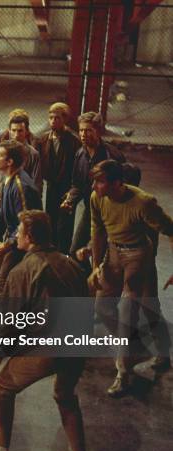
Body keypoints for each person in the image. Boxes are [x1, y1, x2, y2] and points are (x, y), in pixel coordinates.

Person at [0, 210, 91, 451]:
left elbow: (11, 318)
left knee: (3, 387)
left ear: (29, 237)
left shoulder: (24, 270)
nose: (15, 234)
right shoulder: (71, 264)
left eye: (19, 230)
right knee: (65, 396)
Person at [89, 160, 172, 396]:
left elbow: (171, 229)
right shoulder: (97, 197)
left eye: (100, 181)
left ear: (117, 183)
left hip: (138, 255)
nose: (94, 185)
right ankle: (137, 345)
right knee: (103, 307)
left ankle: (123, 374)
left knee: (135, 309)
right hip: (113, 253)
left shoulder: (143, 202)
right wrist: (96, 266)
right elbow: (97, 230)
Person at [0, 140, 42, 296]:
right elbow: (5, 210)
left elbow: (26, 223)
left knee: (3, 286)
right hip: (15, 241)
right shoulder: (8, 178)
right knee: (13, 287)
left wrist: (7, 245)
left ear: (9, 161)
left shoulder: (20, 186)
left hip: (24, 245)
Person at [61, 112, 125, 261]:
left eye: (88, 130)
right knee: (75, 251)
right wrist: (70, 199)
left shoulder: (112, 156)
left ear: (98, 131)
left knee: (104, 255)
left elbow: (122, 187)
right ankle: (87, 281)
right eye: (81, 130)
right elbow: (76, 184)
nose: (83, 134)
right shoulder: (80, 154)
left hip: (111, 214)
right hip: (91, 211)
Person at [35, 103, 81, 254]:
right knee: (50, 219)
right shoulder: (42, 140)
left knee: (65, 224)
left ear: (65, 119)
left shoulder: (74, 141)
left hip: (67, 187)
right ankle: (51, 252)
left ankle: (63, 254)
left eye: (57, 118)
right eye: (51, 118)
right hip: (51, 186)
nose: (53, 121)